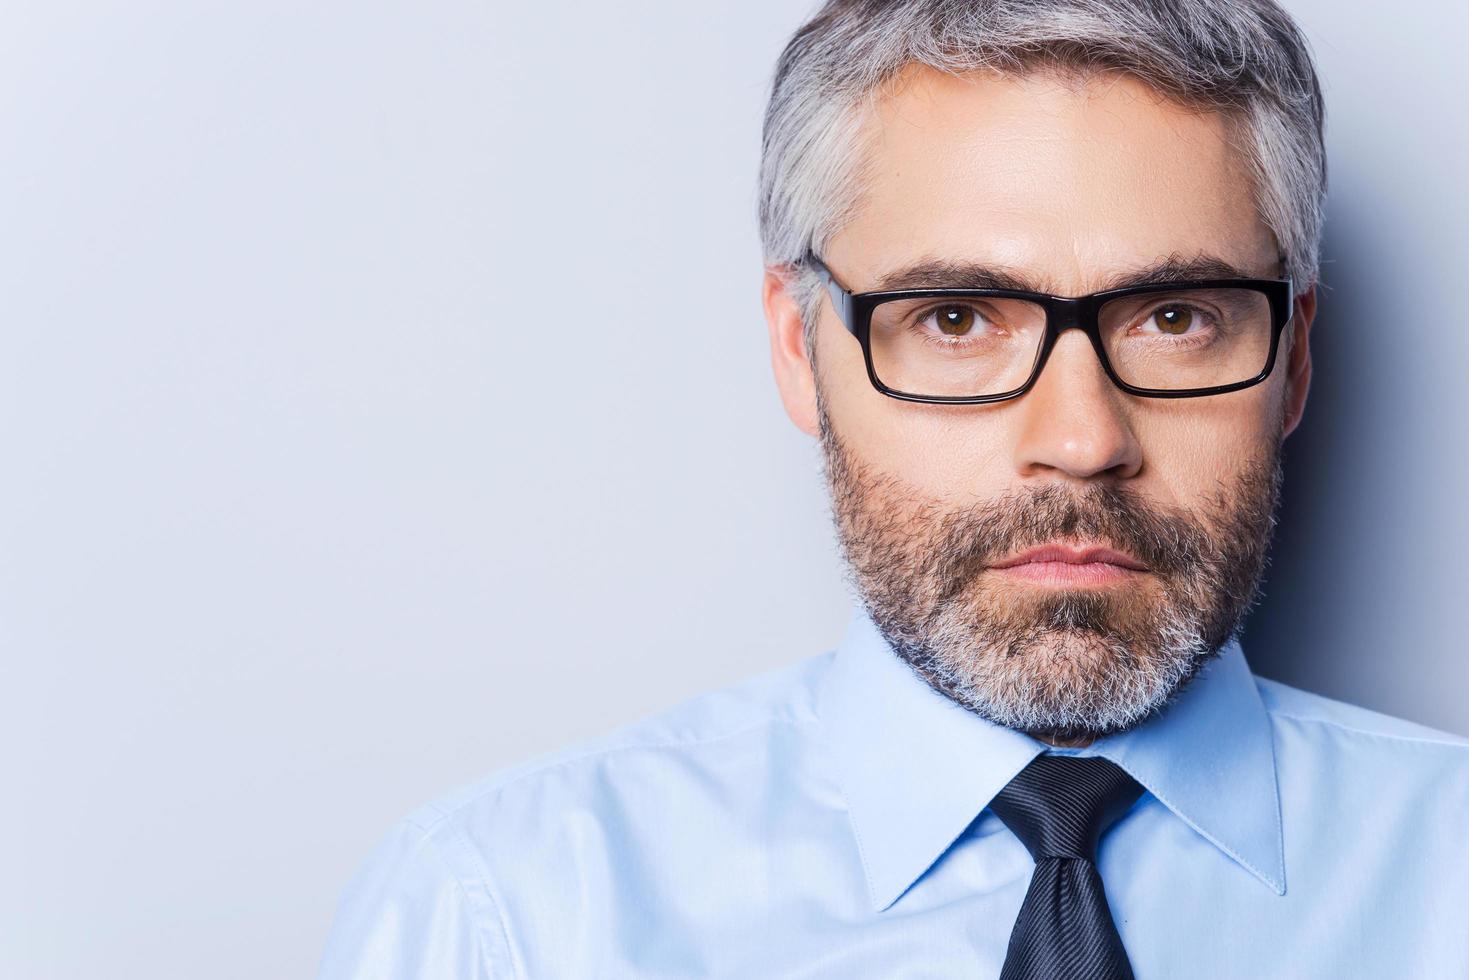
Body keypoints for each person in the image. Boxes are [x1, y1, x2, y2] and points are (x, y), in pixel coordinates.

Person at [317, 1, 1469, 977]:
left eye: (1174, 318)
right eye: (955, 319)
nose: (1078, 439)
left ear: (1294, 359)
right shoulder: (515, 920)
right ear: (797, 349)